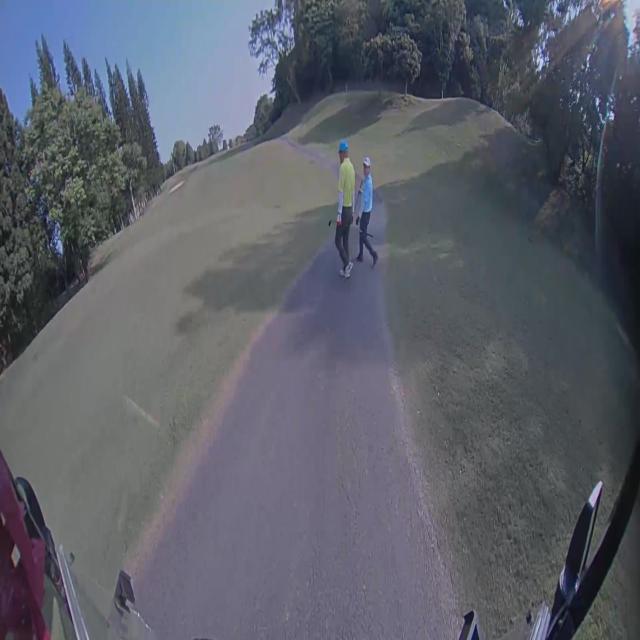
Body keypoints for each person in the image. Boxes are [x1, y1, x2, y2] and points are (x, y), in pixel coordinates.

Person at [336, 139, 356, 278]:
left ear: (343, 153)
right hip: (350, 210)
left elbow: (341, 192)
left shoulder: (343, 167)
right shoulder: (352, 167)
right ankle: (346, 270)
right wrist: (353, 211)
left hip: (343, 210)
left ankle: (347, 263)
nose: (339, 156)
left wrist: (338, 214)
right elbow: (353, 191)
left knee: (337, 241)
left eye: (339, 153)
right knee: (346, 240)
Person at [356, 156, 378, 266]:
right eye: (364, 166)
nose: (365, 169)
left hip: (365, 213)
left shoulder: (368, 182)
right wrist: (361, 189)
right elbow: (363, 190)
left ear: (370, 168)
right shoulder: (367, 179)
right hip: (366, 211)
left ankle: (374, 254)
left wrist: (359, 216)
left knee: (363, 236)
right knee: (361, 234)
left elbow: (364, 202)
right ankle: (360, 255)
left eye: (367, 167)